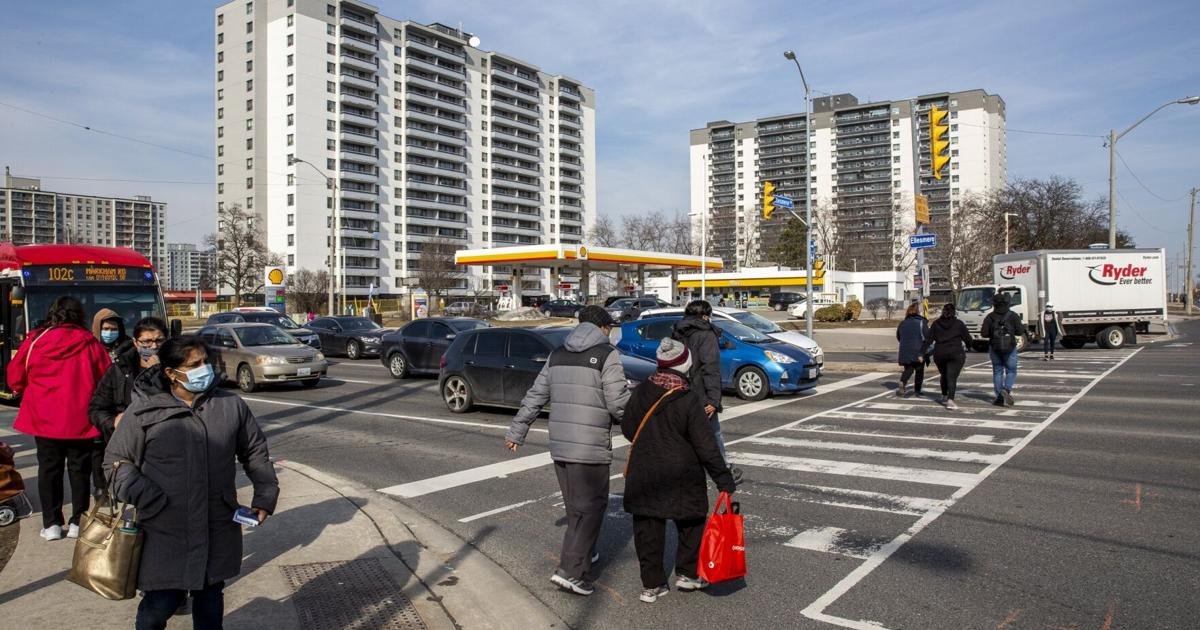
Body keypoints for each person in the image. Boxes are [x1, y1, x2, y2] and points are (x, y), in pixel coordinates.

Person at [105, 336, 279, 630]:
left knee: (211, 595)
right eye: (194, 364)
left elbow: (254, 452)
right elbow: (116, 464)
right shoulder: (144, 411)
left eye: (205, 362)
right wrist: (149, 496)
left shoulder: (230, 405)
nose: (204, 369)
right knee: (161, 603)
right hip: (163, 525)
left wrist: (265, 495)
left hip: (216, 520)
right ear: (171, 373)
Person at [505, 305, 630, 597]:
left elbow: (536, 395)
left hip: (560, 445)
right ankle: (571, 572)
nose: (610, 332)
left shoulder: (557, 353)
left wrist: (517, 431)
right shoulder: (607, 355)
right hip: (590, 448)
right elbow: (618, 403)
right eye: (609, 328)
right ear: (602, 328)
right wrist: (638, 423)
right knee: (591, 509)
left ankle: (584, 554)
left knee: (577, 507)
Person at [621, 338, 736, 603]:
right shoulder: (687, 398)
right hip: (681, 473)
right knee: (691, 520)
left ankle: (652, 585)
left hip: (644, 470)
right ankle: (687, 573)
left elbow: (628, 429)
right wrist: (723, 479)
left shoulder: (640, 392)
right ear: (685, 364)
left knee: (647, 528)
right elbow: (706, 445)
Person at [6, 296, 111, 541]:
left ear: (54, 313)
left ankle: (51, 524)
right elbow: (106, 379)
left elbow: (15, 375)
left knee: (48, 469)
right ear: (80, 315)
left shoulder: (36, 339)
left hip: (44, 418)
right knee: (80, 470)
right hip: (81, 418)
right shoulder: (90, 342)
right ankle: (78, 521)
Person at [88, 317, 169, 498]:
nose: (153, 346)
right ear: (135, 342)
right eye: (146, 342)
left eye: (159, 341)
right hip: (126, 449)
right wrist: (113, 421)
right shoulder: (120, 369)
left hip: (164, 446)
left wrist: (157, 372)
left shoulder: (175, 369)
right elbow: (96, 408)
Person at [981, 293, 1027, 406]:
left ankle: (999, 396)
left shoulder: (990, 317)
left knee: (997, 371)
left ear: (994, 304)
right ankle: (1006, 390)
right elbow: (1020, 331)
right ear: (1007, 303)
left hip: (995, 347)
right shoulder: (1013, 315)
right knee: (1011, 370)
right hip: (1010, 347)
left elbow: (984, 333)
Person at [924, 303, 971, 410]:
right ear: (954, 312)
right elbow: (967, 338)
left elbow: (928, 339)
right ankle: (950, 399)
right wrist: (969, 346)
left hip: (939, 353)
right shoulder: (959, 324)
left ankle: (944, 394)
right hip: (955, 352)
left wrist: (922, 352)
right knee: (952, 376)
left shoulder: (936, 324)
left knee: (944, 374)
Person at [895, 302, 930, 398]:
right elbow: (927, 336)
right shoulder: (921, 322)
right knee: (919, 370)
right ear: (918, 312)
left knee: (909, 368)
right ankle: (917, 390)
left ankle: (903, 381)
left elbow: (899, 336)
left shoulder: (902, 323)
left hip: (905, 349)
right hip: (918, 349)